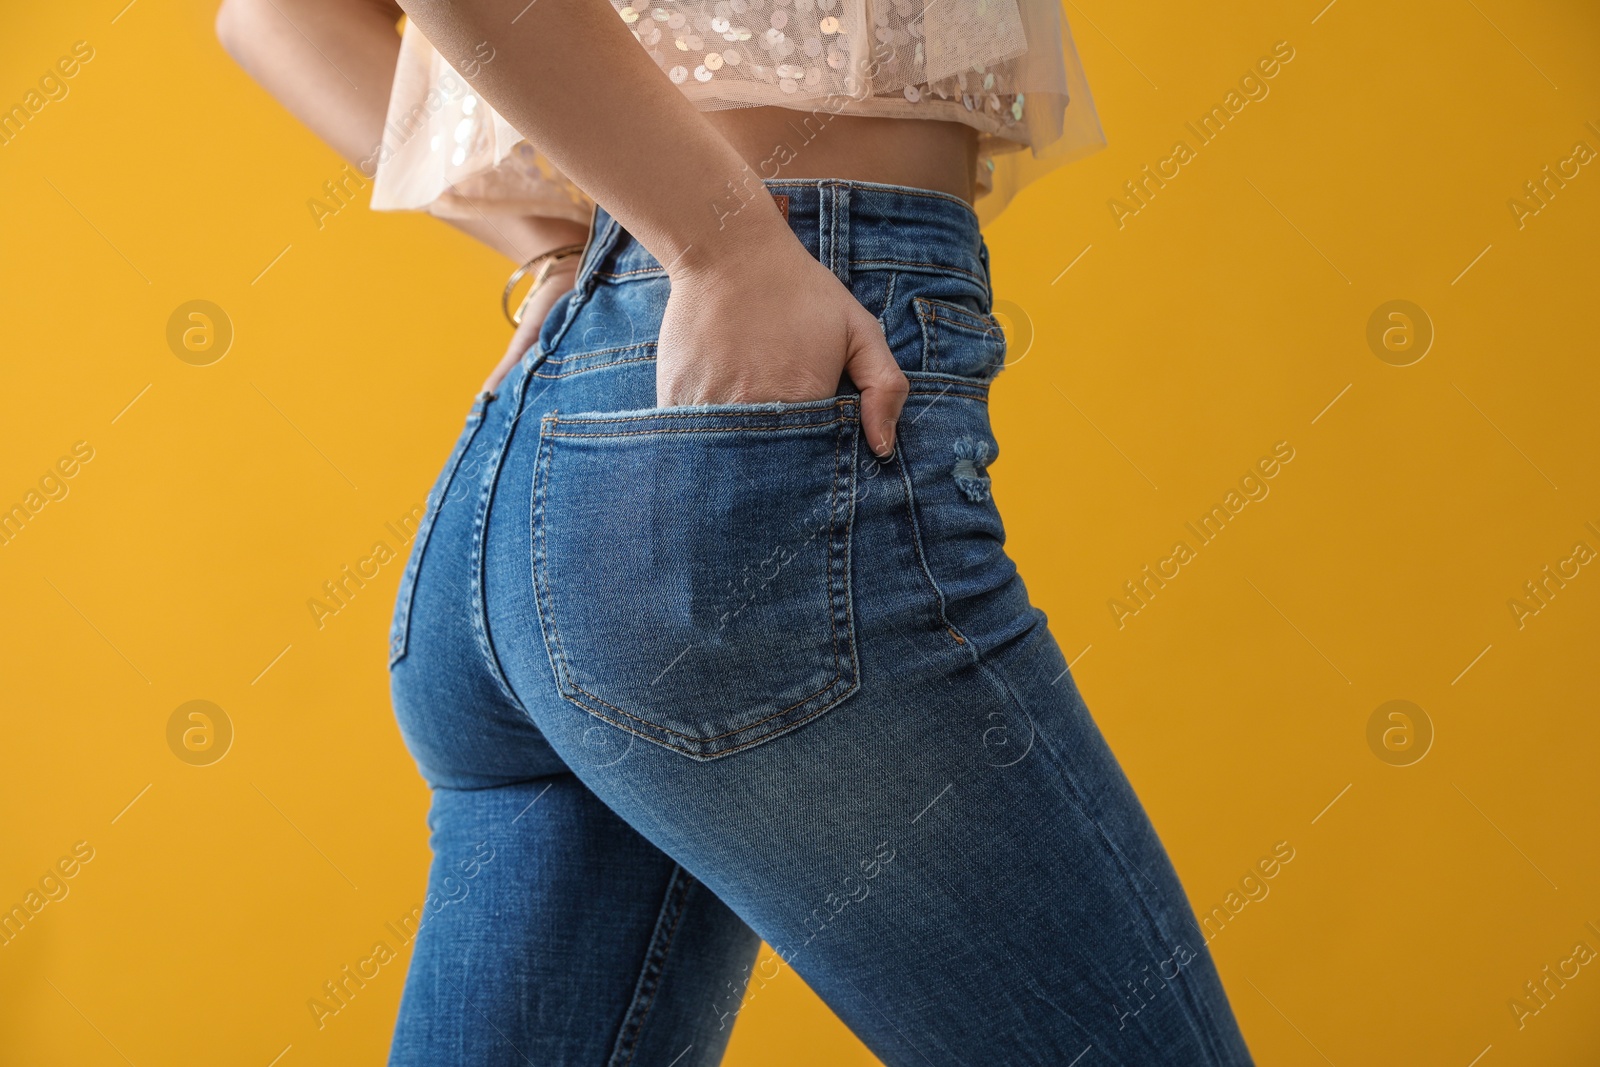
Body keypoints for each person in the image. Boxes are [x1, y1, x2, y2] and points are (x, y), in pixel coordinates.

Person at [217, 1, 1254, 1062]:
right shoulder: (735, 263)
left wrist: (571, 254)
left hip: (552, 449)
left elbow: (271, 13)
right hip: (755, 438)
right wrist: (718, 246)